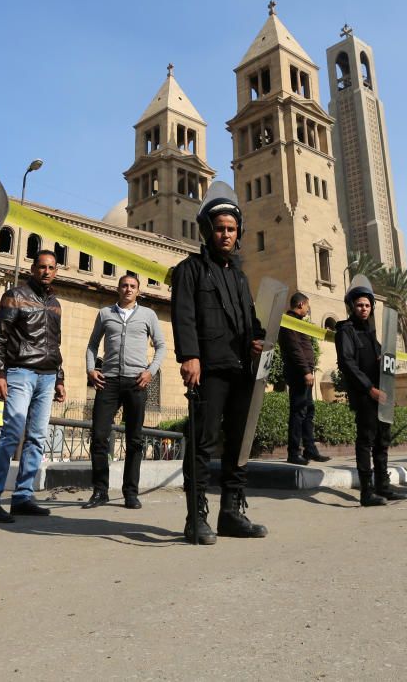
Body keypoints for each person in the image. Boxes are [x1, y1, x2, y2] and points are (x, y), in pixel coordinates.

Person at [171, 185, 267, 545]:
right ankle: (196, 517)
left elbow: (251, 321)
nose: (225, 234)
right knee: (202, 443)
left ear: (238, 232)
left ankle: (231, 512)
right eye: (219, 228)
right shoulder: (190, 271)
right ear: (207, 231)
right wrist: (190, 357)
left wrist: (259, 339)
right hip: (208, 370)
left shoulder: (240, 277)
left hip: (243, 370)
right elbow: (183, 317)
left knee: (240, 443)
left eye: (231, 228)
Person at [0, 250, 65, 523]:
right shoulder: (15, 295)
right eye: (42, 267)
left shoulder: (55, 304)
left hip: (47, 376)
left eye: (51, 267)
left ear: (56, 271)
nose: (47, 271)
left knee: (37, 438)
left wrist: (60, 377)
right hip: (20, 373)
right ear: (33, 268)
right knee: (11, 435)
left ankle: (23, 497)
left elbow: (55, 344)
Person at [84, 273, 166, 509]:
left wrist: (151, 371)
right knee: (99, 436)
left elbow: (161, 346)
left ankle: (131, 492)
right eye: (124, 285)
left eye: (132, 286)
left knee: (135, 439)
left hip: (136, 382)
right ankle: (100, 491)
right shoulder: (105, 314)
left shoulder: (148, 315)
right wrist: (91, 369)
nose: (128, 289)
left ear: (138, 291)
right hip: (108, 381)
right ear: (118, 289)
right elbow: (92, 345)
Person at [334, 283, 407, 506]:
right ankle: (367, 492)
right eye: (359, 305)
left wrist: (387, 385)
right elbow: (347, 363)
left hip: (382, 394)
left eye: (367, 305)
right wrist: (370, 388)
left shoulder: (370, 332)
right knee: (366, 441)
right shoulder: (345, 331)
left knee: (382, 441)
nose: (363, 309)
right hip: (365, 395)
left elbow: (382, 360)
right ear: (351, 307)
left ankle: (382, 487)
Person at [278, 292, 330, 465]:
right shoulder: (289, 322)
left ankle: (310, 450)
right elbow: (294, 349)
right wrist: (306, 371)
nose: (308, 309)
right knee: (298, 412)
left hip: (304, 373)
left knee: (308, 411)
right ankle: (293, 453)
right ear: (300, 304)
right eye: (307, 305)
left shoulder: (298, 322)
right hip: (299, 374)